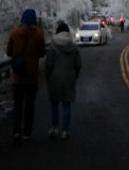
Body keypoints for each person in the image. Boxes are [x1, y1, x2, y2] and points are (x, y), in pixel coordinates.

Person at [6, 7, 46, 145]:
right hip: (31, 76)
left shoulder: (14, 32)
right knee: (30, 105)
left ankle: (16, 131)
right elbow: (42, 53)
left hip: (17, 75)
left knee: (17, 105)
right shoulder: (38, 34)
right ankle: (27, 133)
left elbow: (9, 52)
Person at [45, 21, 81, 140]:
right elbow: (78, 64)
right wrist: (74, 75)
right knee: (66, 104)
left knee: (54, 104)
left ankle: (54, 128)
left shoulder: (53, 44)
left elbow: (48, 63)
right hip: (69, 77)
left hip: (54, 78)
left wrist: (47, 75)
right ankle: (65, 131)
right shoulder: (73, 45)